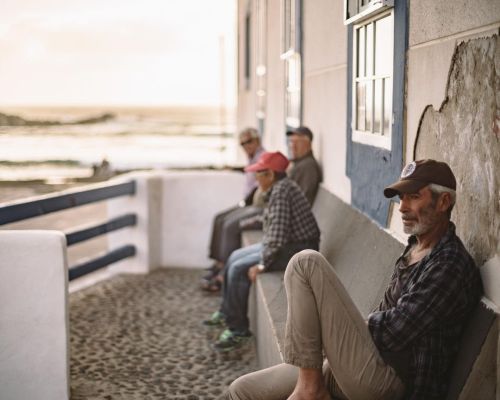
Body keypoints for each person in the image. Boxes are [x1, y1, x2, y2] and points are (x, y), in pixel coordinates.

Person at [228, 159, 482, 400]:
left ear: (443, 201)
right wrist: (336, 336)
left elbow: (395, 331)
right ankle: (311, 384)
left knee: (305, 263)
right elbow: (382, 316)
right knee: (242, 390)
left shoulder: (449, 264)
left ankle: (310, 390)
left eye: (414, 197)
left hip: (390, 382)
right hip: (361, 362)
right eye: (401, 197)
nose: (402, 207)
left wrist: (338, 329)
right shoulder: (415, 248)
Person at [204, 151, 320, 352]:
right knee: (234, 257)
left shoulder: (282, 192)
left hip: (297, 249)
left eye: (259, 173)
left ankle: (238, 330)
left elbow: (278, 237)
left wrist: (262, 264)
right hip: (286, 243)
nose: (255, 178)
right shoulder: (278, 188)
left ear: (271, 175)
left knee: (239, 268)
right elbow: (275, 234)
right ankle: (227, 311)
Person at [203, 128, 265, 291]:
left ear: (257, 140)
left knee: (229, 225)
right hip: (247, 202)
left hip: (253, 204)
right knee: (220, 218)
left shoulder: (262, 157)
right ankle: (218, 262)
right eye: (242, 143)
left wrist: (246, 202)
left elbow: (259, 185)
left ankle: (222, 271)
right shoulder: (252, 158)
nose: (245, 146)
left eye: (249, 142)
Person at [286, 126, 322, 204]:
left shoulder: (308, 166)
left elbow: (304, 199)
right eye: (292, 142)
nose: (293, 146)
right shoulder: (298, 163)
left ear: (308, 144)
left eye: (297, 142)